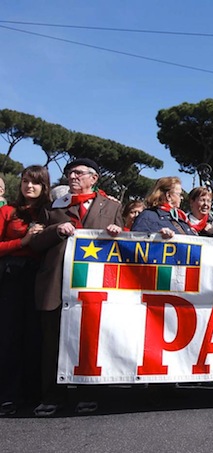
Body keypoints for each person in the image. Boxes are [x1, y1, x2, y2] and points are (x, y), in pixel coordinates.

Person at [31, 158, 123, 416]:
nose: (73, 177)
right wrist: (56, 231)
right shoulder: (54, 208)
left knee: (89, 341)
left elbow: (125, 242)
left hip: (92, 285)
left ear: (93, 178)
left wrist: (119, 231)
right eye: (70, 173)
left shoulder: (112, 206)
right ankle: (52, 395)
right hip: (56, 284)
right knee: (52, 343)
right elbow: (36, 243)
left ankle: (87, 392)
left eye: (79, 173)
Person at [0, 166, 50, 416]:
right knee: (9, 336)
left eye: (35, 182)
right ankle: (8, 395)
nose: (28, 186)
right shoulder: (7, 211)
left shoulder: (50, 213)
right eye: (24, 181)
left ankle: (33, 393)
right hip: (12, 278)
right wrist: (22, 242)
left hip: (40, 279)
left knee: (35, 336)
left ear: (44, 186)